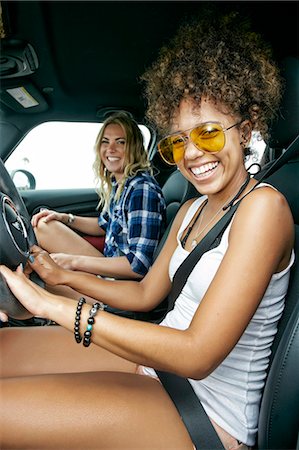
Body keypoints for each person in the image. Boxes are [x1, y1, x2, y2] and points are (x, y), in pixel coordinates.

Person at [0, 10, 295, 450]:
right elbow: (144, 296)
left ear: (246, 126)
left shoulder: (265, 209)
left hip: (206, 413)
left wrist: (55, 306)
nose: (192, 154)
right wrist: (62, 278)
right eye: (178, 141)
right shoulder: (192, 209)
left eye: (209, 134)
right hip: (159, 366)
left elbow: (197, 354)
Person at [30, 111, 166, 283]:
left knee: (39, 283)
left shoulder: (142, 190)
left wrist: (74, 262)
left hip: (123, 284)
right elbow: (103, 225)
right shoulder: (122, 185)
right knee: (44, 225)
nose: (110, 149)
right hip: (109, 268)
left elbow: (138, 266)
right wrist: (64, 218)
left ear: (135, 147)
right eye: (105, 142)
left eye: (121, 142)